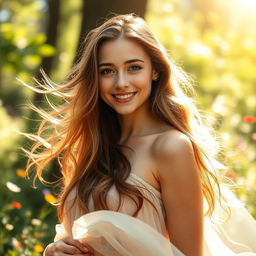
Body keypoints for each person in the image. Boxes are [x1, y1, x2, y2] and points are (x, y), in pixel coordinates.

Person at [23, 14, 256, 256]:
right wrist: (54, 250)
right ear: (96, 78)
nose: (121, 82)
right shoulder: (92, 148)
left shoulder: (170, 147)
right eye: (107, 71)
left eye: (134, 68)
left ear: (154, 71)